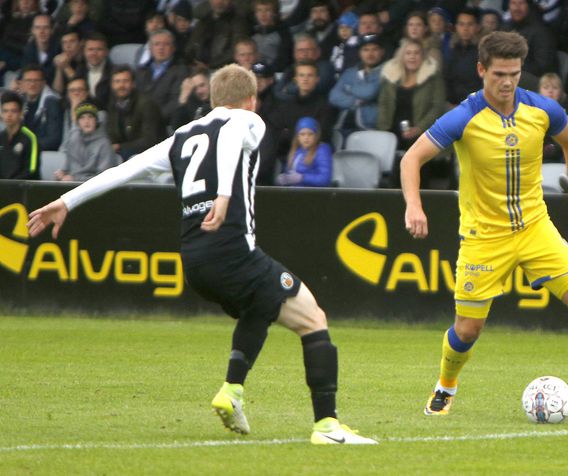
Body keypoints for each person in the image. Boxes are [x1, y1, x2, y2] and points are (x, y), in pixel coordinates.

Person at [26, 63, 377, 445]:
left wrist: (66, 200)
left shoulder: (181, 136)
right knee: (314, 319)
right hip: (231, 252)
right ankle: (327, 428)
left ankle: (233, 391)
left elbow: (127, 168)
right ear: (251, 100)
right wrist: (224, 195)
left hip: (194, 261)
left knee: (259, 307)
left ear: (211, 100)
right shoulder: (247, 120)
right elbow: (229, 136)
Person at [399, 31, 568, 421]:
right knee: (467, 330)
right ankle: (445, 386)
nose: (507, 82)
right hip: (483, 237)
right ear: (481, 70)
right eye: (499, 74)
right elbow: (411, 159)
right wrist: (413, 206)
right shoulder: (464, 116)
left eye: (515, 73)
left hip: (535, 229)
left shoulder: (542, 109)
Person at [377, 38, 445, 187]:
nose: (412, 57)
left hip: (423, 133)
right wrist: (384, 130)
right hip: (392, 132)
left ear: (423, 56)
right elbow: (383, 104)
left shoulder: (433, 78)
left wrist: (420, 128)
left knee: (417, 170)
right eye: (408, 53)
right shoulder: (391, 77)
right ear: (402, 56)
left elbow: (438, 106)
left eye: (416, 53)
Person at [329, 34, 385, 144]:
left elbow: (369, 92)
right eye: (366, 50)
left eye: (374, 49)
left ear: (382, 52)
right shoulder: (350, 72)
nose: (370, 54)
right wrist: (356, 101)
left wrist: (348, 89)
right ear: (360, 52)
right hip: (343, 126)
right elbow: (333, 96)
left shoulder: (387, 70)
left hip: (371, 127)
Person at [106, 65, 165, 161]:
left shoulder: (146, 104)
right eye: (117, 82)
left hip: (150, 155)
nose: (121, 86)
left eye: (125, 81)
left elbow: (150, 140)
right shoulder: (112, 105)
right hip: (124, 153)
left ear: (133, 84)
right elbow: (112, 134)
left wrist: (120, 146)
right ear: (112, 85)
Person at [135, 29, 190, 125]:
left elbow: (175, 102)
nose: (161, 48)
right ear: (151, 49)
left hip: (162, 123)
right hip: (138, 121)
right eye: (157, 44)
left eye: (166, 44)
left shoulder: (181, 71)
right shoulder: (141, 71)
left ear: (173, 48)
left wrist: (154, 119)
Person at [55, 101, 119, 181]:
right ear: (78, 122)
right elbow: (67, 167)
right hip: (72, 185)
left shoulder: (104, 144)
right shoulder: (73, 141)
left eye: (90, 117)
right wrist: (62, 173)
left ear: (96, 121)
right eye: (82, 118)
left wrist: (75, 179)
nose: (86, 121)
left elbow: (104, 179)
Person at [276, 116, 333, 187]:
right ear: (298, 136)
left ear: (316, 135)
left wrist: (303, 178)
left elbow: (325, 179)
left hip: (312, 193)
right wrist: (285, 177)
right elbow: (289, 171)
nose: (306, 137)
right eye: (302, 134)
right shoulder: (296, 151)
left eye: (310, 134)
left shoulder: (322, 150)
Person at [19, 64, 63, 151]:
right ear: (22, 83)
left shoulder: (52, 103)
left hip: (43, 153)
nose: (32, 84)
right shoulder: (18, 101)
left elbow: (54, 140)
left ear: (43, 83)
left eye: (36, 80)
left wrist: (27, 147)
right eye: (28, 80)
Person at [0, 91, 39, 180]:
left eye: (13, 111)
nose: (9, 115)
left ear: (21, 113)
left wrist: (10, 185)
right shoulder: (1, 137)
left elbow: (32, 170)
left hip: (25, 189)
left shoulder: (30, 138)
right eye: (5, 111)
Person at [171, 66, 211, 132]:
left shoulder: (220, 100)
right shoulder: (192, 102)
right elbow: (176, 126)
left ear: (209, 82)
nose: (199, 91)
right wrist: (183, 98)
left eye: (202, 85)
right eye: (195, 88)